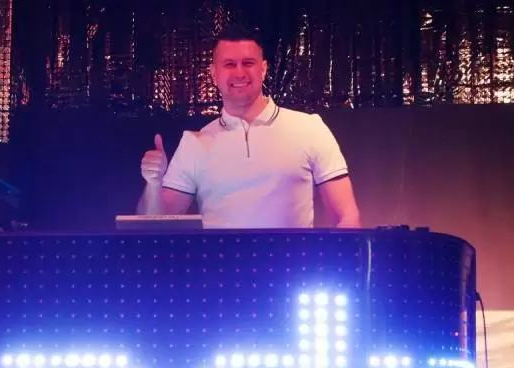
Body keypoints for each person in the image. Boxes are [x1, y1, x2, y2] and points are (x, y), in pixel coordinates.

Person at [137, 25, 361, 229]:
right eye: (229, 64)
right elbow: (154, 226)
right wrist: (153, 185)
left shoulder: (309, 128)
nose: (239, 73)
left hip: (291, 261)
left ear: (263, 69)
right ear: (214, 74)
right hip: (220, 261)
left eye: (248, 63)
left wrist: (335, 256)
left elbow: (348, 217)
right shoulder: (194, 143)